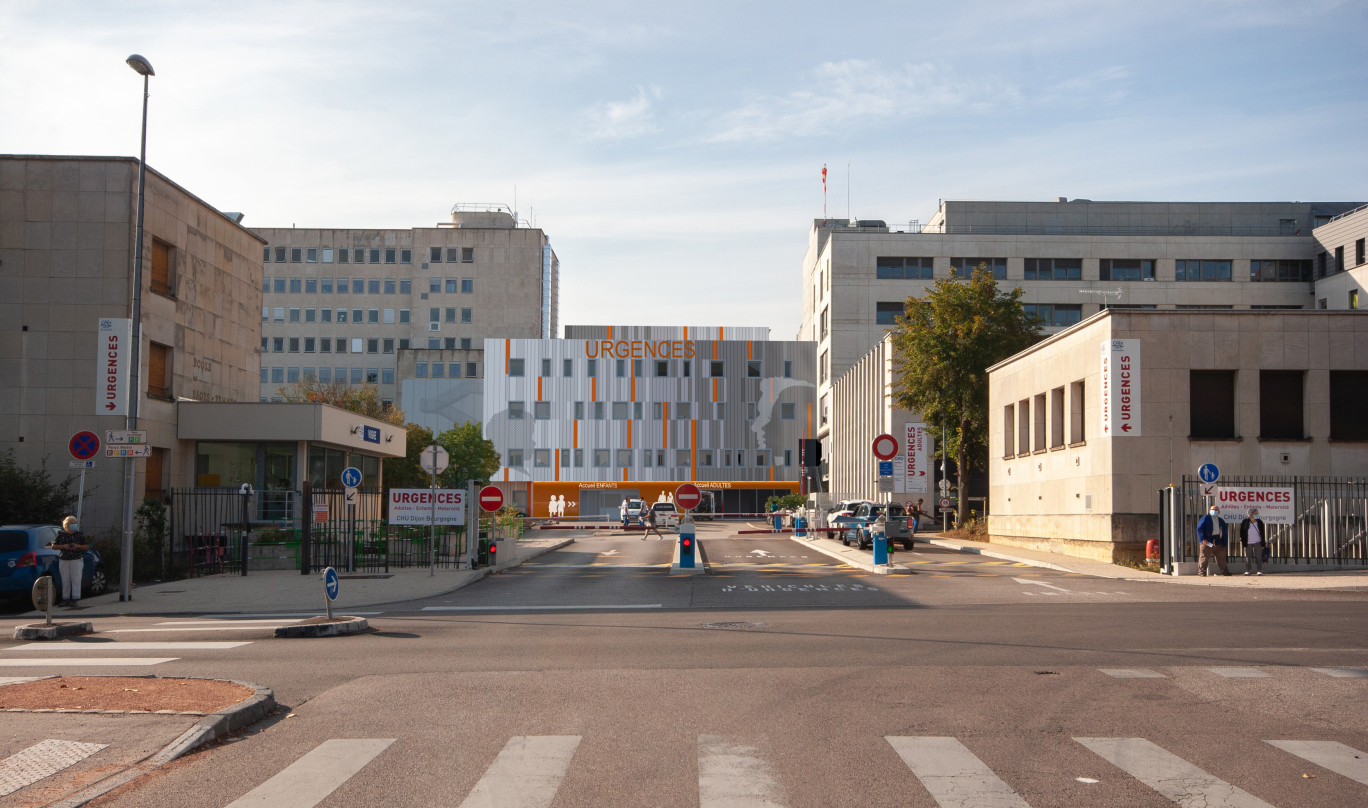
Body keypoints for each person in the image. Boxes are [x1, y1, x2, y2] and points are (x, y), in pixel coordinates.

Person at [51, 516, 89, 608]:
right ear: (67, 525)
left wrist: (77, 546)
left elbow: (86, 546)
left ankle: (75, 598)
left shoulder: (79, 535)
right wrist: (64, 546)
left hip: (76, 559)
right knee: (65, 579)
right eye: (72, 524)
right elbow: (53, 546)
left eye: (75, 524)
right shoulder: (61, 534)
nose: (74, 526)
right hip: (64, 559)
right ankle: (65, 598)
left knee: (76, 579)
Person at [1196, 505, 1229, 577]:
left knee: (1221, 557)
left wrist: (1224, 542)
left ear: (1219, 512)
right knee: (1204, 557)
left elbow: (1224, 532)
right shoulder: (1205, 518)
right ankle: (1202, 571)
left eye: (1216, 510)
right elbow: (1199, 529)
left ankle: (1225, 571)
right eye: (1213, 510)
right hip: (1207, 541)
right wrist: (1202, 539)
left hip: (1218, 541)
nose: (1214, 511)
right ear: (1209, 511)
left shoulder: (1221, 520)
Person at [1239, 507, 1266, 576]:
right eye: (1255, 513)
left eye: (1257, 513)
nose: (1257, 514)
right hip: (1248, 542)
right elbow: (1242, 532)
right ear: (1251, 514)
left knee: (1258, 556)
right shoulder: (1245, 522)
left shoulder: (1259, 522)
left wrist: (1263, 543)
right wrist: (1243, 541)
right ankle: (1248, 570)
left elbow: (1262, 532)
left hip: (1257, 541)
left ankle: (1259, 570)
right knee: (1248, 556)